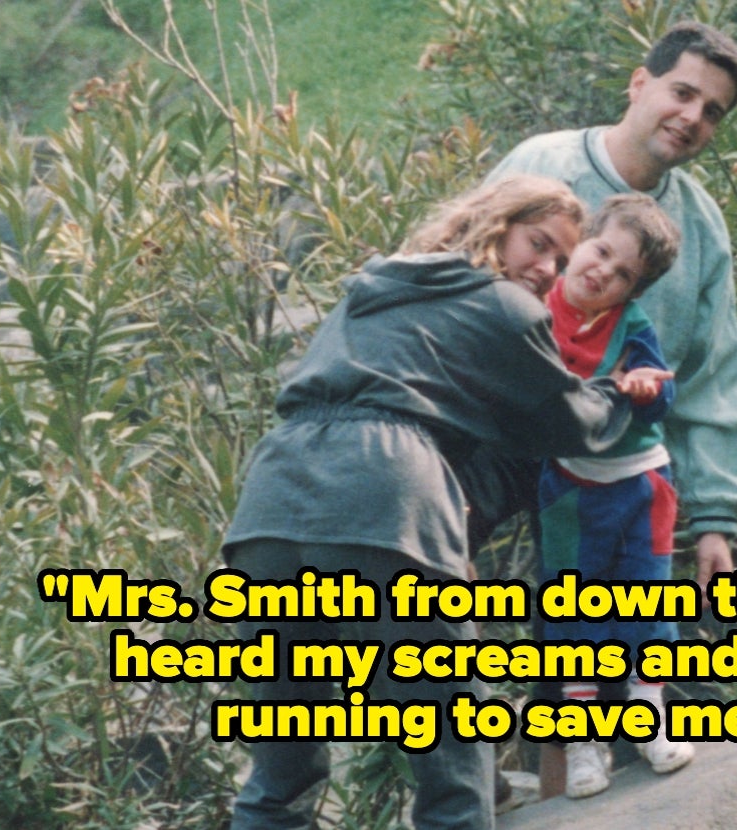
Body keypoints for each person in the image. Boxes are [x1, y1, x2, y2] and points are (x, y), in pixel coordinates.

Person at [218, 174, 670, 830]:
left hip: (271, 502)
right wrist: (621, 394)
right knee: (450, 756)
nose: (547, 270)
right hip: (385, 492)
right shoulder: (506, 306)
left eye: (561, 261)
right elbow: (564, 421)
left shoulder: (372, 289)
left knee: (281, 766)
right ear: (497, 225)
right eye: (538, 245)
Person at [471, 20, 737, 798]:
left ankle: (575, 793)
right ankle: (466, 785)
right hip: (494, 445)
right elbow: (458, 263)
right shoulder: (545, 163)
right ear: (640, 83)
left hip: (615, 467)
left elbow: (713, 370)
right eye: (683, 91)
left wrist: (717, 515)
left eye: (713, 110)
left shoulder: (695, 228)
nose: (692, 116)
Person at [535, 193, 693, 798]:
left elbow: (666, 393)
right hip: (569, 488)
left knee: (648, 610)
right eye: (600, 251)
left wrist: (647, 388)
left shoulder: (631, 327)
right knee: (572, 621)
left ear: (633, 290)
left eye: (622, 273)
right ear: (582, 241)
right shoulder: (531, 310)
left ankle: (651, 723)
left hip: (642, 483)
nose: (602, 271)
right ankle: (583, 745)